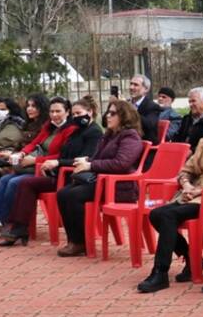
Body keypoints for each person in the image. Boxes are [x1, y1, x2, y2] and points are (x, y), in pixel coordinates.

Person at [138, 103, 203, 292]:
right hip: (193, 194)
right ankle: (192, 259)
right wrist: (187, 185)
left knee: (168, 216)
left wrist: (202, 191)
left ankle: (160, 272)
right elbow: (186, 170)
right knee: (157, 214)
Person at [0, 97, 104, 247]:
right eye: (74, 115)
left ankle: (18, 227)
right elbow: (63, 152)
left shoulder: (94, 132)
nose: (76, 117)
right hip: (58, 173)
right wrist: (49, 162)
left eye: (79, 113)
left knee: (25, 182)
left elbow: (86, 158)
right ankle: (17, 227)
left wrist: (57, 162)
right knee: (23, 183)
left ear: (90, 112)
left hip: (71, 177)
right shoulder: (77, 130)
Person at [53, 99, 146, 257]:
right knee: (63, 193)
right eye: (107, 112)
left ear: (125, 116)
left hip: (119, 187)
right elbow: (98, 158)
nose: (107, 116)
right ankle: (74, 240)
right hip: (101, 182)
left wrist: (91, 165)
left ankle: (81, 242)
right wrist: (87, 161)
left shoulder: (130, 137)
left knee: (73, 195)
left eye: (112, 113)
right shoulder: (110, 135)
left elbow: (121, 163)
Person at [0, 97, 76, 232]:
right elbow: (34, 143)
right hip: (35, 165)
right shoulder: (49, 126)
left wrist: (35, 161)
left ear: (67, 112)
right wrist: (21, 154)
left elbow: (63, 156)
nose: (54, 115)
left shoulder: (71, 129)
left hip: (51, 170)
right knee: (5, 179)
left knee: (15, 182)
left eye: (58, 111)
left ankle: (6, 221)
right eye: (52, 111)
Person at [127, 75, 162, 144]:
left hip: (143, 144)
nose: (131, 87)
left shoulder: (152, 106)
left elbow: (149, 125)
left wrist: (132, 110)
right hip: (126, 141)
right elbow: (105, 123)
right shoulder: (127, 104)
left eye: (136, 85)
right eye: (131, 84)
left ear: (146, 89)